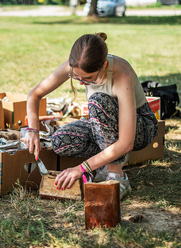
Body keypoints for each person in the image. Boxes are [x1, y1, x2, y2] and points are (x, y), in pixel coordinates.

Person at [25, 32, 158, 200]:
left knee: (98, 102)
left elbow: (126, 142)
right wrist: (32, 129)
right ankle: (108, 158)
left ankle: (116, 175)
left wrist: (81, 169)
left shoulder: (121, 75)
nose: (81, 83)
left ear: (103, 65)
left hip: (141, 126)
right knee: (60, 140)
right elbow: (34, 94)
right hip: (105, 123)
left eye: (87, 79)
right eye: (75, 76)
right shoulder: (75, 64)